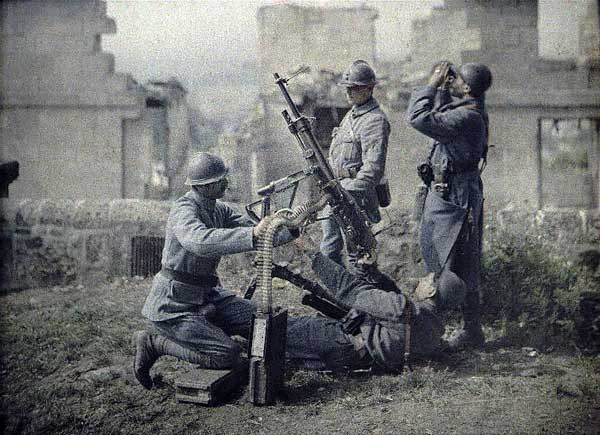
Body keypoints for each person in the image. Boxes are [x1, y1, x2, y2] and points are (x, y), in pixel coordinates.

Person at [132, 152, 296, 389]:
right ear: (204, 186)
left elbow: (258, 232)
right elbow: (199, 241)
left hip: (209, 296)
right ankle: (155, 343)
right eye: (220, 181)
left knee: (262, 321)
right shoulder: (183, 210)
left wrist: (290, 229)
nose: (226, 183)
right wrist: (252, 234)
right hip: (175, 306)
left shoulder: (219, 209)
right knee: (227, 356)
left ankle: (213, 332)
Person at [406, 61, 492, 351]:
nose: (451, 81)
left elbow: (419, 117)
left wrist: (431, 84)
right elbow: (441, 117)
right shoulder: (469, 110)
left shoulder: (467, 117)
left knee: (454, 262)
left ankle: (444, 331)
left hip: (457, 196)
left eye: (456, 80)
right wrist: (443, 89)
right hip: (454, 191)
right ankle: (469, 329)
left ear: (467, 88)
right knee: (455, 259)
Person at [285, 234, 466, 372]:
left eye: (428, 279)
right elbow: (394, 302)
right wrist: (373, 273)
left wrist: (314, 254)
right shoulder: (434, 332)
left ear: (431, 291)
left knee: (279, 329)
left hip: (340, 344)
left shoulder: (401, 309)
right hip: (355, 358)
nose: (423, 279)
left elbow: (351, 290)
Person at [320, 59, 392, 287]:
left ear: (370, 89)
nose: (350, 92)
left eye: (356, 88)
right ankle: (341, 300)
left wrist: (346, 192)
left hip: (355, 198)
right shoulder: (352, 116)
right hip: (338, 194)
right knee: (329, 250)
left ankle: (368, 303)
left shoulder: (374, 121)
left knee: (359, 258)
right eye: (347, 88)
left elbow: (373, 169)